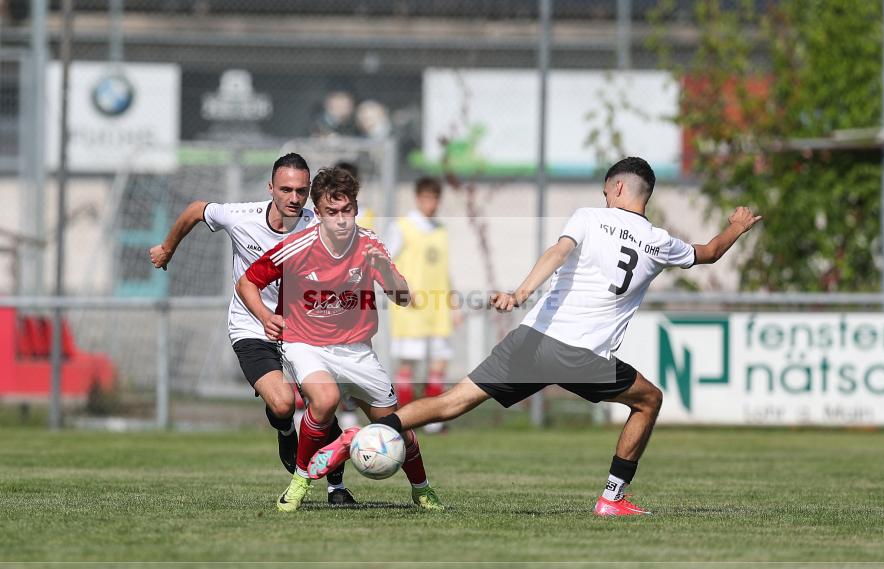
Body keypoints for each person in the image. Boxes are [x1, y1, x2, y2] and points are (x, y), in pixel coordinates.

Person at [307, 156, 763, 516]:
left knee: (451, 402)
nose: (604, 198)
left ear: (618, 188)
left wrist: (521, 292)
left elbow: (558, 252)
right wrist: (737, 227)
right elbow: (708, 253)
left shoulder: (589, 217)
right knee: (650, 400)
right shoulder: (662, 241)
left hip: (533, 340)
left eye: (607, 191)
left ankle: (353, 438)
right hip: (582, 356)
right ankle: (612, 497)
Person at [148, 153, 355, 505]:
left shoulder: (317, 226)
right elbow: (197, 209)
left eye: (301, 192)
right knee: (282, 403)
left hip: (301, 329)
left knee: (323, 402)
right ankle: (286, 430)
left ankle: (336, 486)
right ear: (270, 187)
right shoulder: (240, 217)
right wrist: (168, 248)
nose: (293, 198)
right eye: (286, 189)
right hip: (250, 325)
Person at [236, 166, 444, 512]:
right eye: (332, 212)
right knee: (325, 398)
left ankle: (421, 489)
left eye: (347, 210)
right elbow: (247, 282)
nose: (341, 219)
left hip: (357, 351)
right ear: (317, 213)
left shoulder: (370, 244)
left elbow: (402, 297)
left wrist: (392, 277)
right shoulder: (297, 246)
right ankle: (300, 481)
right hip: (306, 344)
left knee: (395, 427)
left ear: (356, 210)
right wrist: (266, 316)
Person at [384, 176, 458, 433]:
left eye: (436, 198)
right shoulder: (402, 227)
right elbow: (384, 262)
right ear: (418, 198)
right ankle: (406, 418)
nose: (431, 203)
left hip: (438, 307)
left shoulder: (440, 229)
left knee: (440, 361)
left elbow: (445, 271)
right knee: (408, 363)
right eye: (427, 197)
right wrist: (401, 289)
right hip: (411, 307)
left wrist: (454, 301)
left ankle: (434, 421)